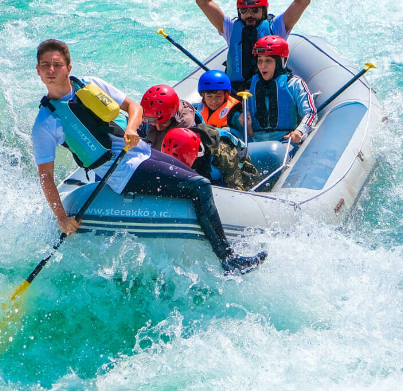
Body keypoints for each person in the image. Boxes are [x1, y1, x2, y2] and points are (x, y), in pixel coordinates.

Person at [32, 39, 266, 275]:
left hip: (141, 153)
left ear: (68, 68)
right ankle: (228, 260)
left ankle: (215, 252)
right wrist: (62, 218)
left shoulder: (90, 84)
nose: (51, 70)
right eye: (45, 65)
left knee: (196, 178)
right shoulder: (45, 123)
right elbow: (46, 177)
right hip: (122, 174)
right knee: (200, 186)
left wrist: (132, 129)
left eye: (57, 64)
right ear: (38, 71)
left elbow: (134, 107)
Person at [195, 0, 312, 91]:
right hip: (238, 94)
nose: (249, 14)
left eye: (255, 10)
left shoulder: (276, 27)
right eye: (244, 11)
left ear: (264, 11)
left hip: (269, 92)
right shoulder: (231, 27)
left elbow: (302, 2)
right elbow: (203, 1)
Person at [245, 35, 316, 143]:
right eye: (260, 61)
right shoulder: (250, 87)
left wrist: (299, 132)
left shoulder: (294, 84)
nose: (262, 66)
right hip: (255, 143)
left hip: (285, 142)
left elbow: (310, 113)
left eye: (268, 61)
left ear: (280, 62)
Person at [162, 127, 260, 191]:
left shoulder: (223, 154)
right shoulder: (173, 150)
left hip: (238, 171)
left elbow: (236, 188)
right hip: (207, 173)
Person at [139, 84, 200, 151]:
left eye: (164, 123)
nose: (158, 128)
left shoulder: (184, 125)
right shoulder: (151, 114)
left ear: (174, 117)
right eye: (154, 123)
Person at [192, 70, 247, 139]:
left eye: (218, 96)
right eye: (209, 96)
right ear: (203, 96)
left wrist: (247, 125)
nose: (214, 101)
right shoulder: (195, 110)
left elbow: (247, 136)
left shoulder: (234, 113)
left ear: (226, 95)